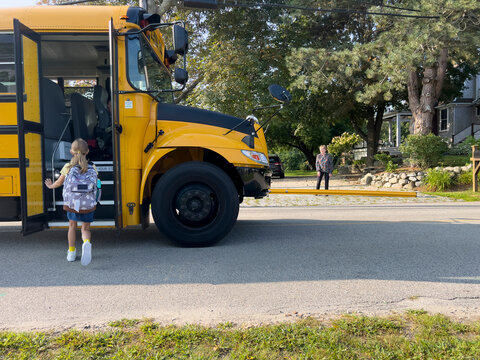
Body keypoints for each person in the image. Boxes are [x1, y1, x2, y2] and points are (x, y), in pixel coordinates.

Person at [45, 138, 96, 265]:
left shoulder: (68, 167)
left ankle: (72, 252)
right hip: (88, 204)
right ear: (87, 151)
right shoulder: (92, 167)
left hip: (73, 204)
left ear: (71, 152)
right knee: (86, 228)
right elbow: (96, 184)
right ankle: (86, 243)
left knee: (72, 226)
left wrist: (50, 186)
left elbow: (59, 182)